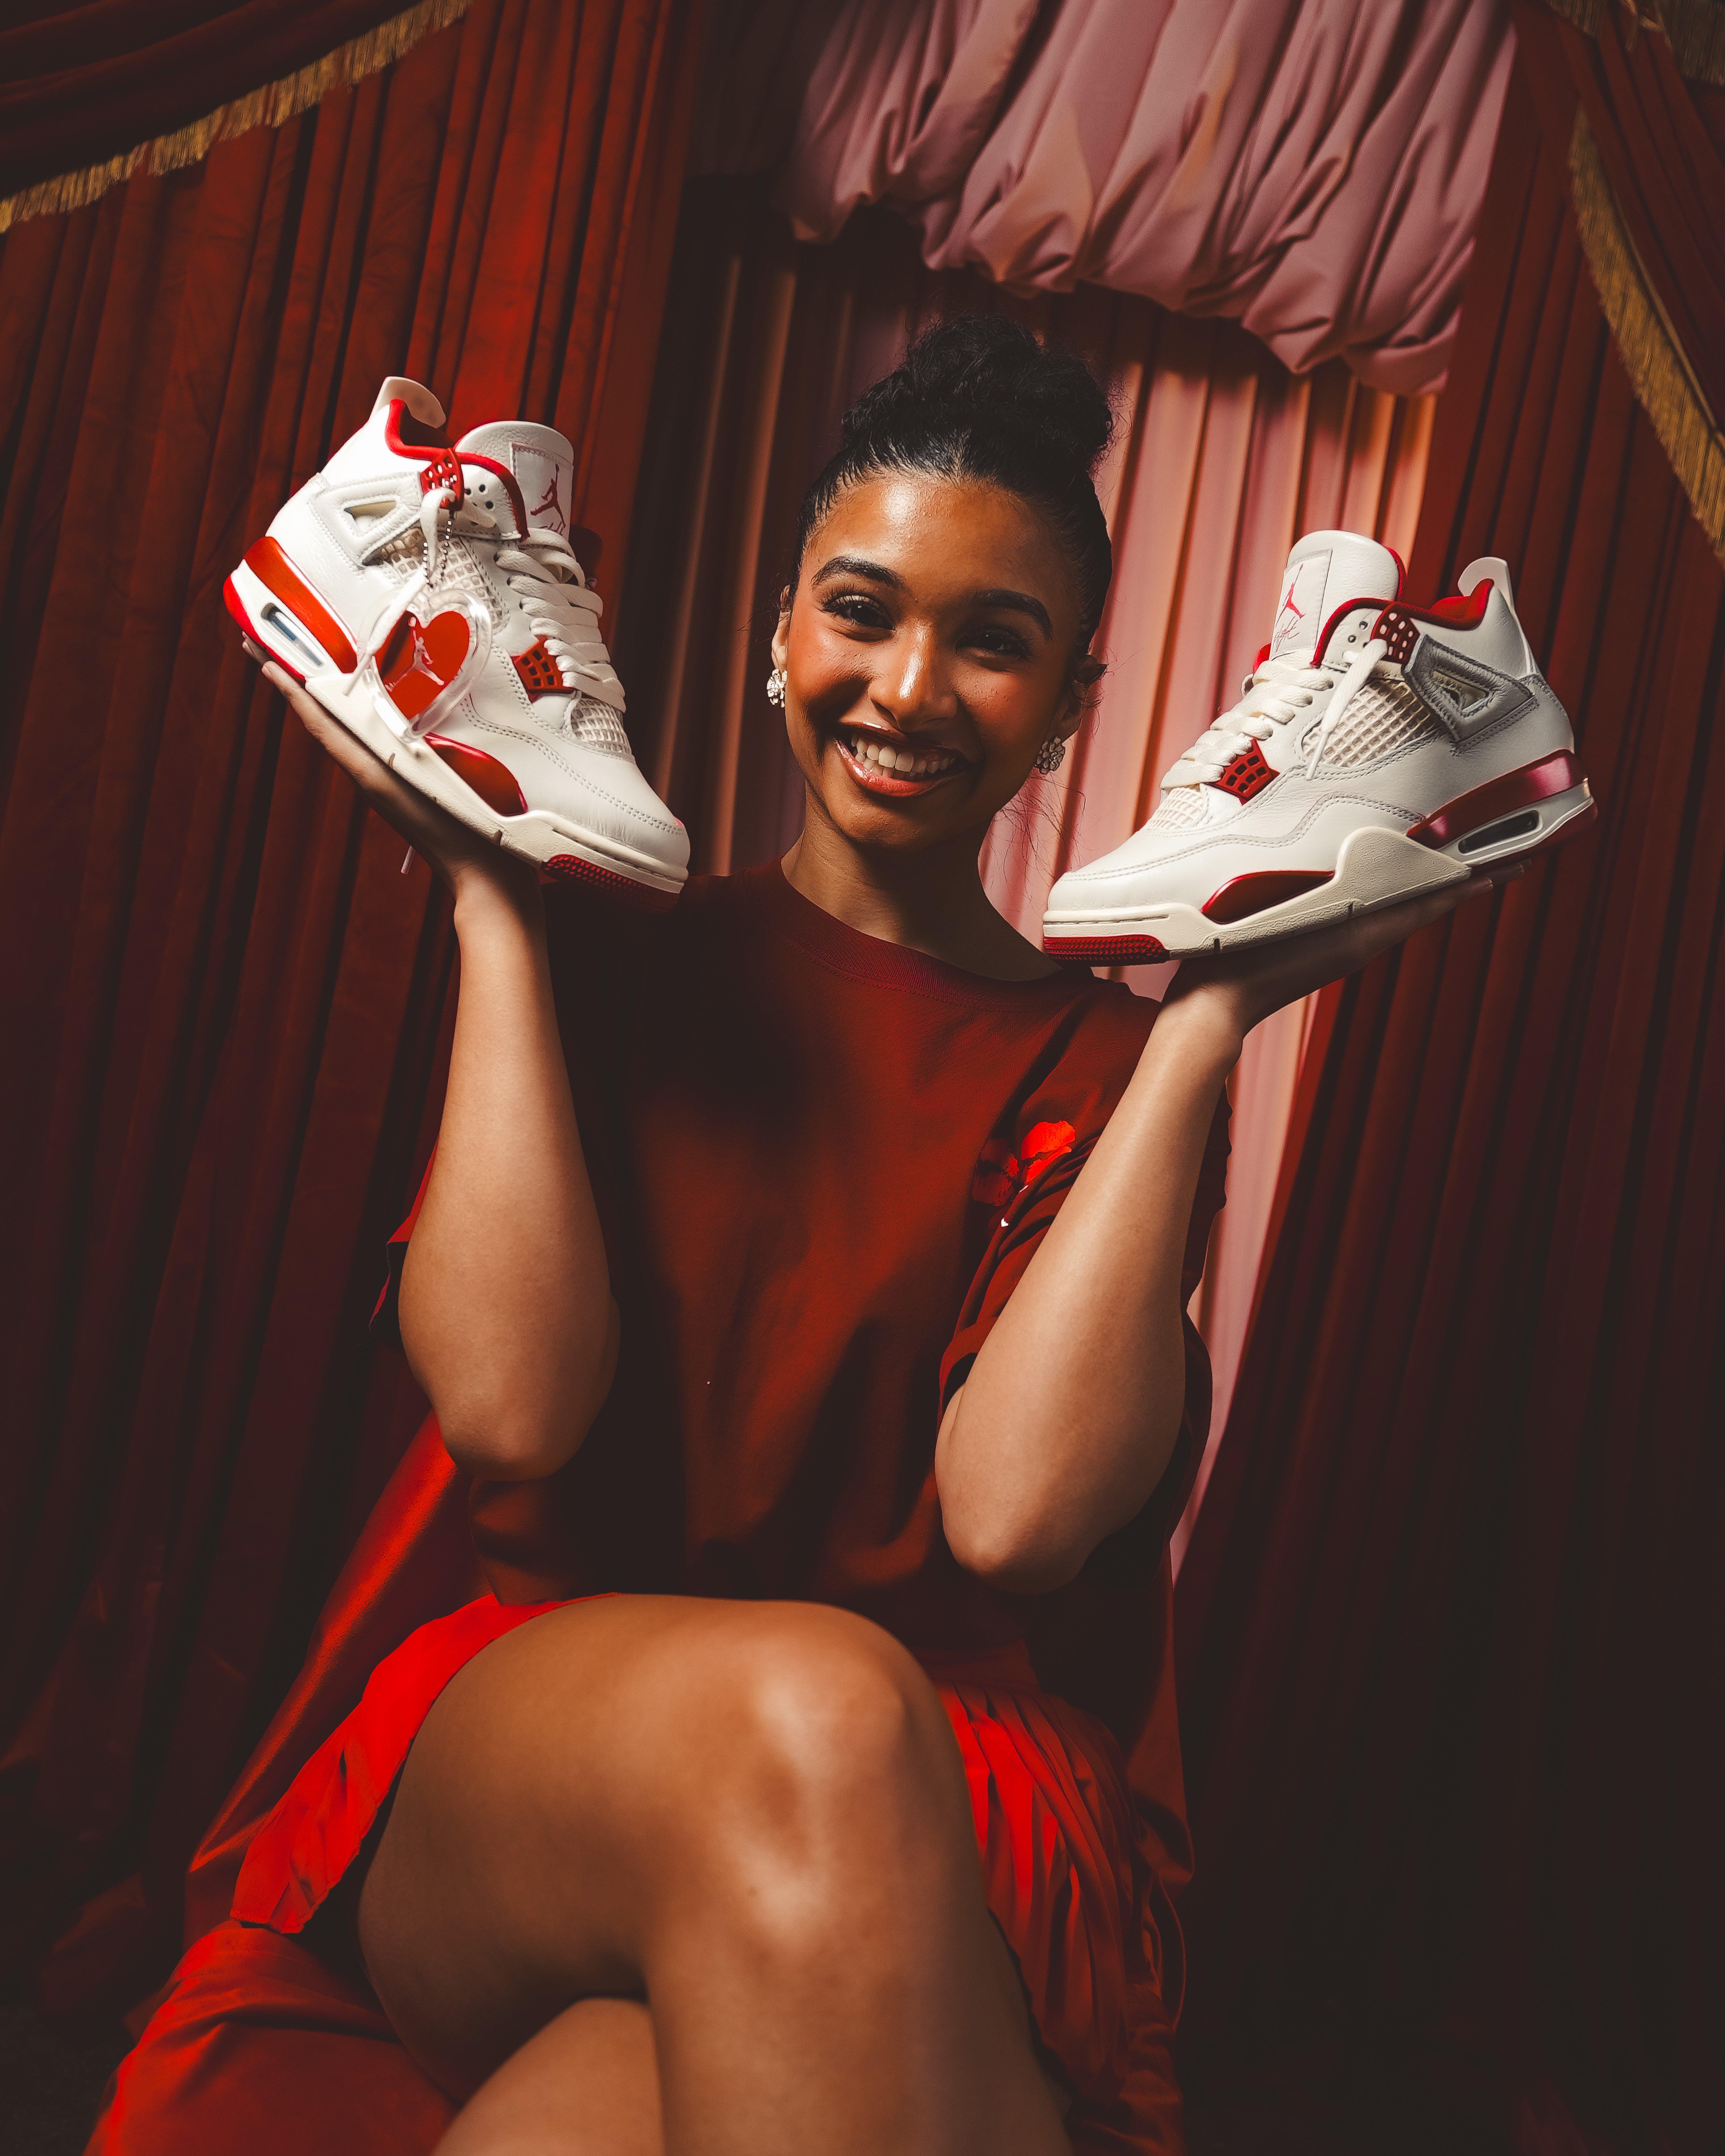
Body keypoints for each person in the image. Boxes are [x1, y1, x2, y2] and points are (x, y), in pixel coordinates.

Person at [197, 317, 1507, 2155]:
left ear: (1074, 701)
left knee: (588, 2123)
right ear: (775, 637)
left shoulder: (1105, 1059)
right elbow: (506, 1412)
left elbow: (1021, 1517)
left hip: (946, 1797)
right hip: (532, 1759)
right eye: (862, 611)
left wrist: (1209, 1019)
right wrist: (496, 899)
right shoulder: (618, 940)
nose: (909, 683)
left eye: (994, 642)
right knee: (817, 1702)